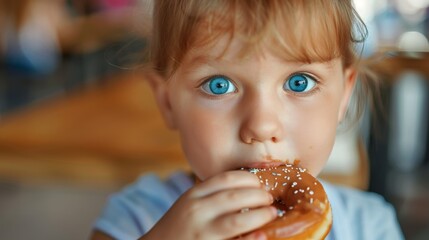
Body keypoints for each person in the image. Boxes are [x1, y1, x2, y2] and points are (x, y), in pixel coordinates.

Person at [91, 1, 405, 239]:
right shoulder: (134, 218)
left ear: (344, 96)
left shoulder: (369, 226)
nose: (261, 126)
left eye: (300, 82)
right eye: (219, 85)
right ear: (167, 102)